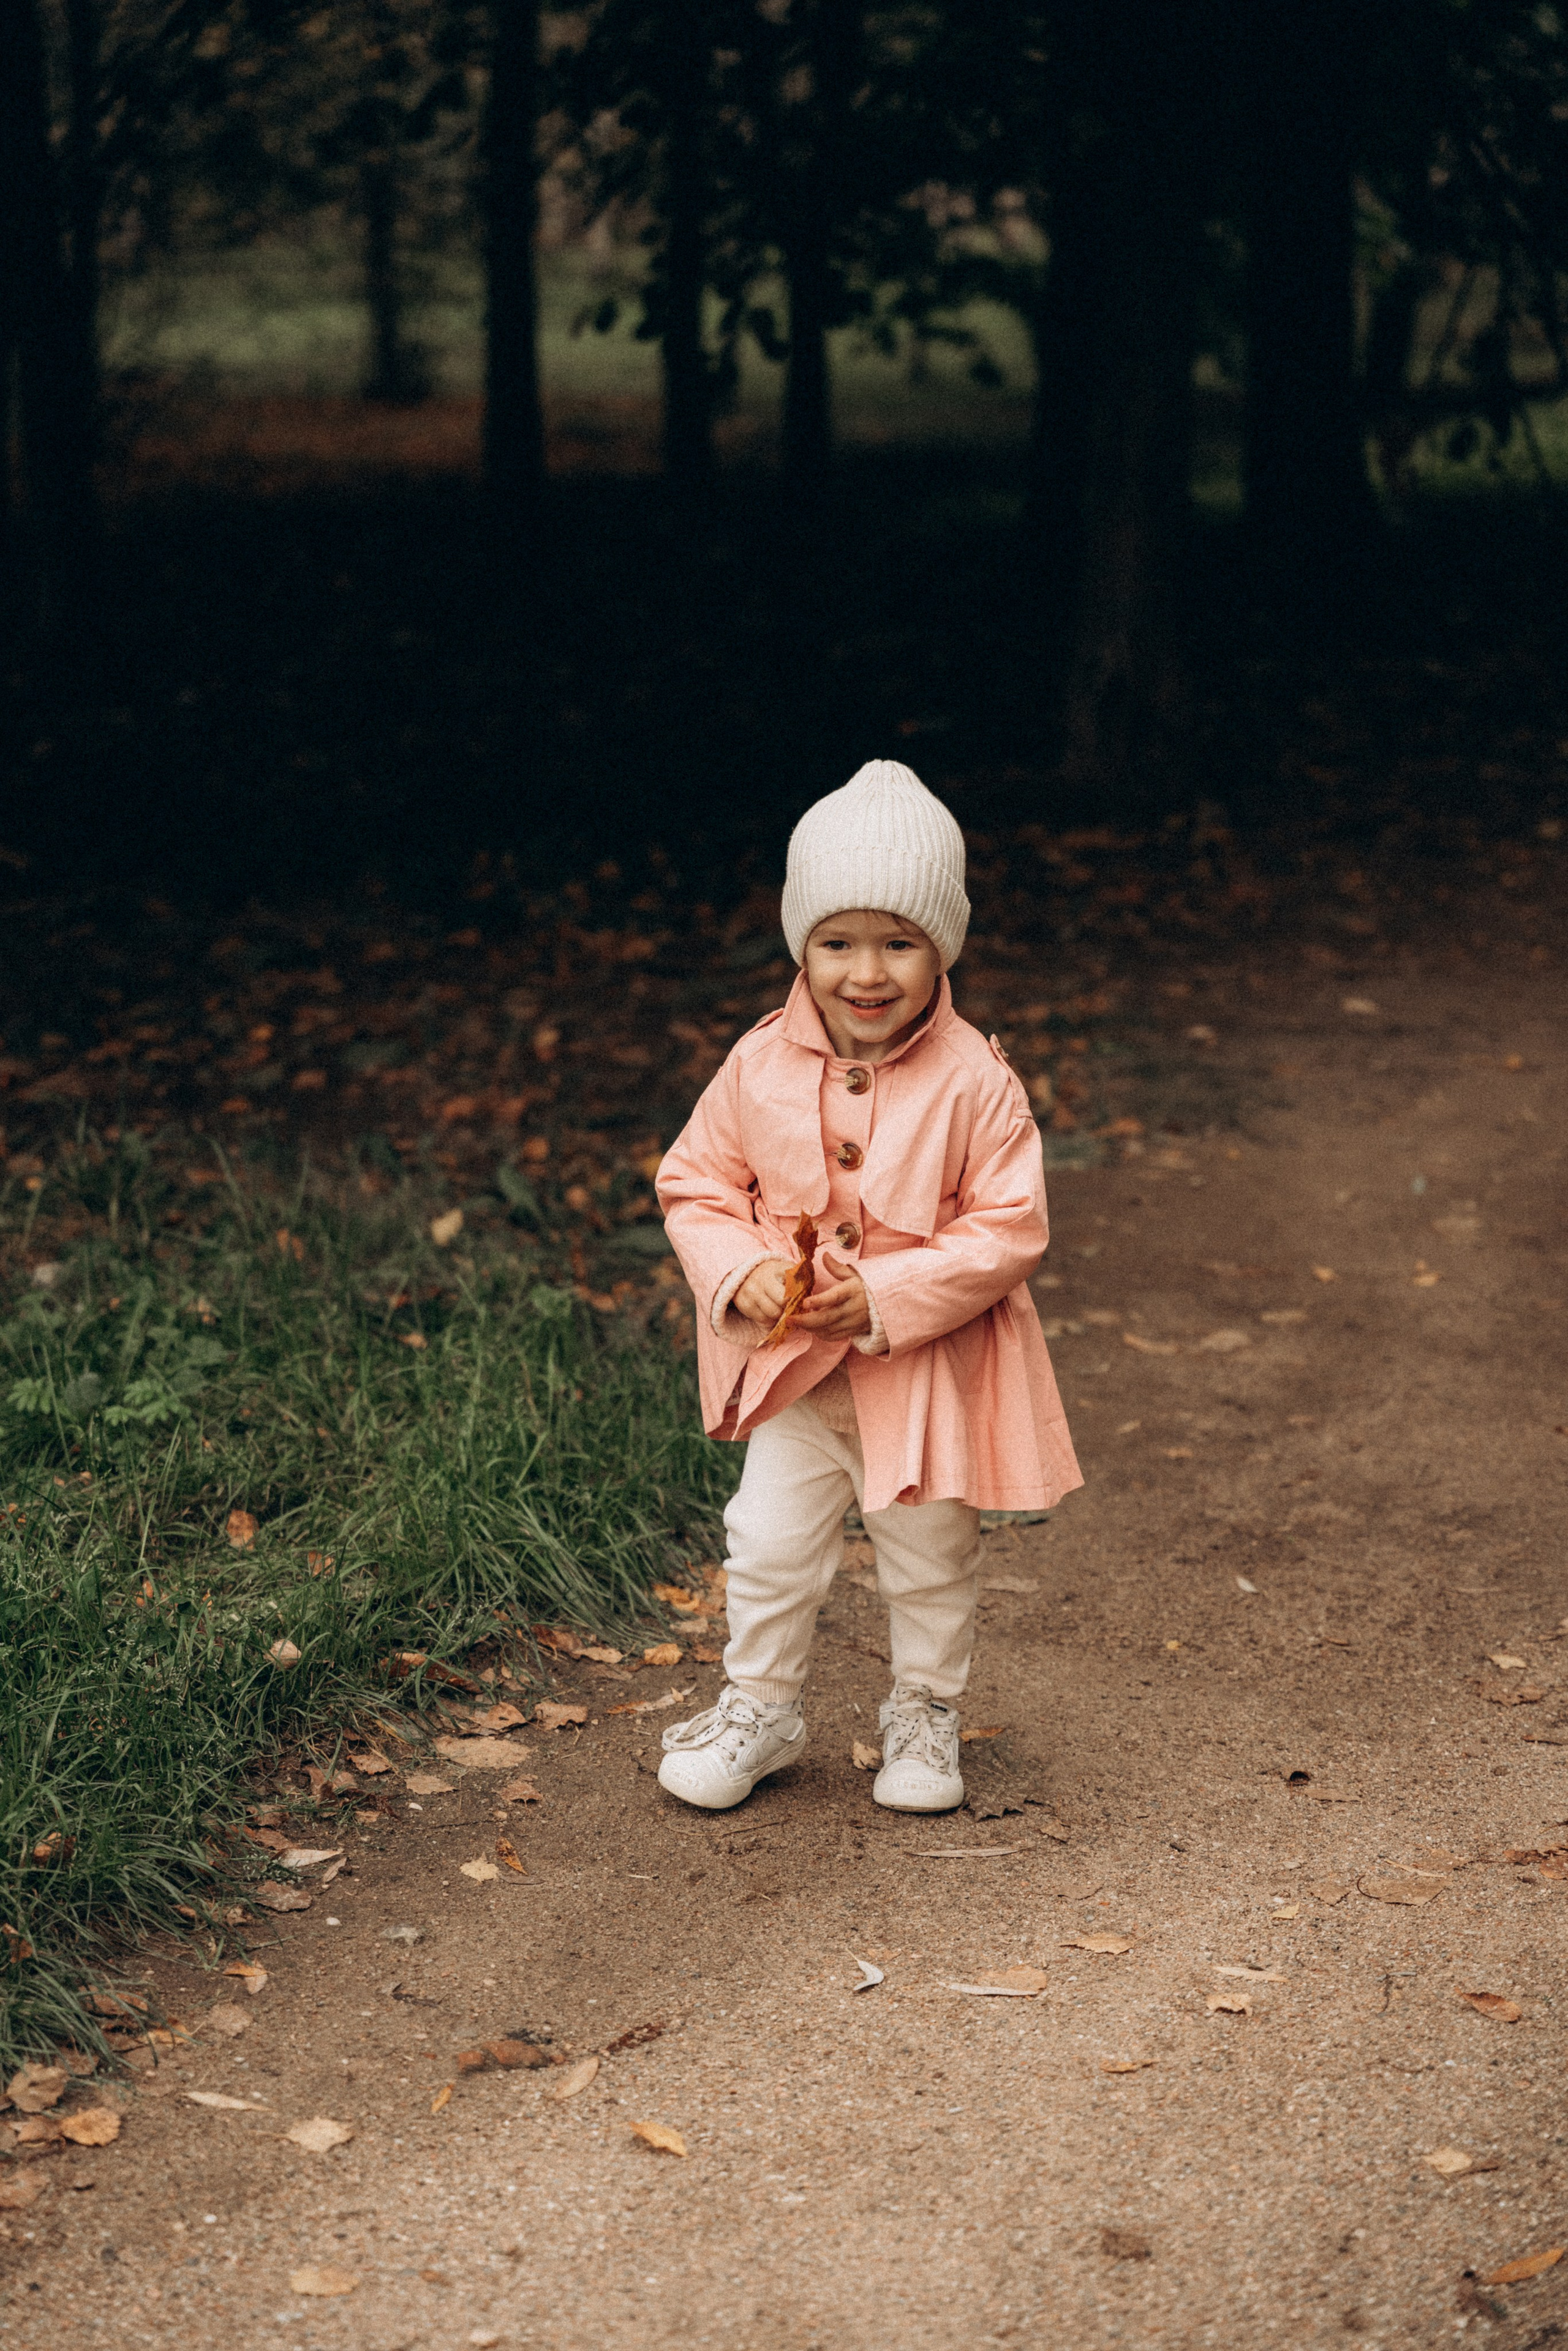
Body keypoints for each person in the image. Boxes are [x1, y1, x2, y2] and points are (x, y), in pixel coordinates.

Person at [654, 759, 1081, 1812]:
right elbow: (696, 1179)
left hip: (922, 1375)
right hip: (798, 1375)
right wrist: (743, 1270)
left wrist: (892, 1296)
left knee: (930, 1551)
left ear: (945, 945)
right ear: (802, 943)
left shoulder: (975, 1077)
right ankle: (762, 1705)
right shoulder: (756, 1064)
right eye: (838, 941)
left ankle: (926, 1712)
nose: (868, 971)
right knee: (765, 1542)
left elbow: (1009, 1224)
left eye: (901, 940)